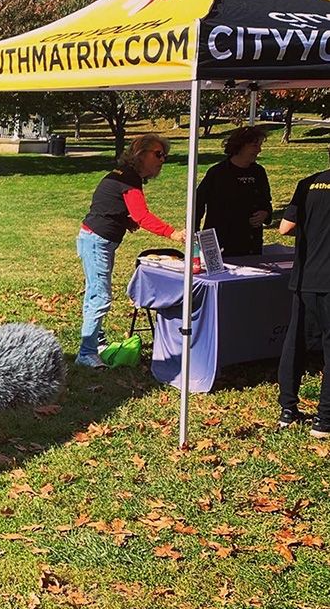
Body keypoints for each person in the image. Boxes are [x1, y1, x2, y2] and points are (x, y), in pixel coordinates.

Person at [75, 134, 185, 368]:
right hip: (96, 241)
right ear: (139, 153)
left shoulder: (122, 176)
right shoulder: (129, 179)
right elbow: (142, 215)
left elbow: (106, 206)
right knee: (100, 297)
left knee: (94, 294)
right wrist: (172, 233)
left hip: (95, 239)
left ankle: (97, 342)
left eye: (164, 155)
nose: (162, 159)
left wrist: (124, 221)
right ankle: (86, 353)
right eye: (157, 154)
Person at [275, 152, 330, 439]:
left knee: (294, 342)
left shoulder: (307, 183)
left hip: (304, 278)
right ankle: (324, 420)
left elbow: (285, 227)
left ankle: (287, 409)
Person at [195, 126, 273, 257]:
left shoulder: (259, 172)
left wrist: (265, 214)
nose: (259, 150)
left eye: (260, 145)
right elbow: (197, 203)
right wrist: (195, 234)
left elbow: (266, 202)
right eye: (255, 145)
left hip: (251, 243)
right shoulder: (218, 173)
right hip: (222, 243)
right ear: (240, 146)